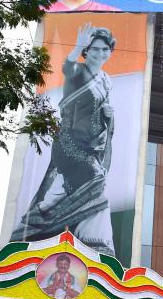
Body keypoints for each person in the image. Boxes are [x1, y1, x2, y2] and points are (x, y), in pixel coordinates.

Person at [12, 23, 116, 255]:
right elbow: (66, 67)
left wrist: (108, 114)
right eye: (94, 49)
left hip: (91, 146)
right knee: (95, 180)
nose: (100, 54)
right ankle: (97, 246)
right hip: (69, 142)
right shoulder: (78, 71)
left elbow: (99, 113)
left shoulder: (107, 80)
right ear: (86, 52)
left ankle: (45, 217)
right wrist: (77, 45)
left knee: (75, 188)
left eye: (104, 49)